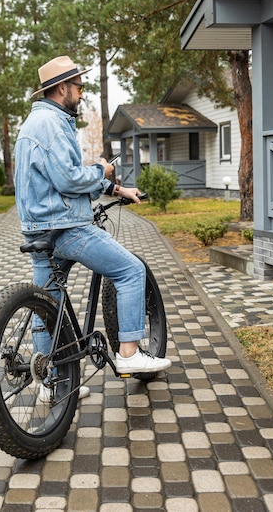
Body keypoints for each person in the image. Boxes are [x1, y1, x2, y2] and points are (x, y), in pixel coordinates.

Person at [14, 56, 171, 399]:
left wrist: (115, 189)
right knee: (130, 270)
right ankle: (129, 354)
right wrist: (103, 171)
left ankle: (51, 384)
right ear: (61, 88)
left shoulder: (32, 124)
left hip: (38, 231)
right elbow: (70, 178)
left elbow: (57, 177)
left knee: (46, 308)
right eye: (79, 87)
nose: (82, 94)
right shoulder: (53, 124)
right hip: (66, 229)